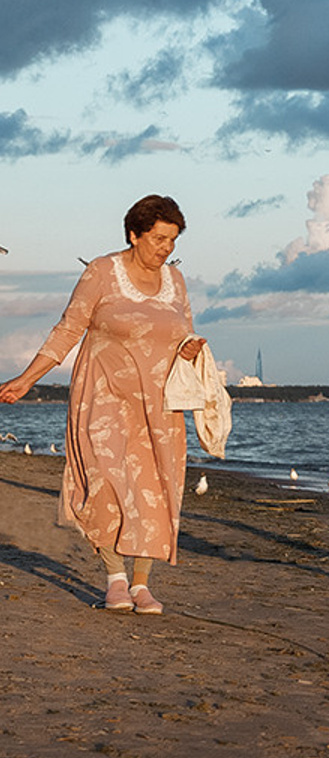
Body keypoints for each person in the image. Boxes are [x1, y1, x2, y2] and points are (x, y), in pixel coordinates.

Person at [0, 195, 209, 614]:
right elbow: (68, 329)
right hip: (103, 396)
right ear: (134, 234)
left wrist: (188, 350)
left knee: (154, 490)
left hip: (160, 405)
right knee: (106, 482)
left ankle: (142, 584)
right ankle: (115, 579)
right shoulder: (102, 272)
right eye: (158, 238)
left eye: (173, 240)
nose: (166, 249)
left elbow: (182, 332)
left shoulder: (176, 282)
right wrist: (26, 379)